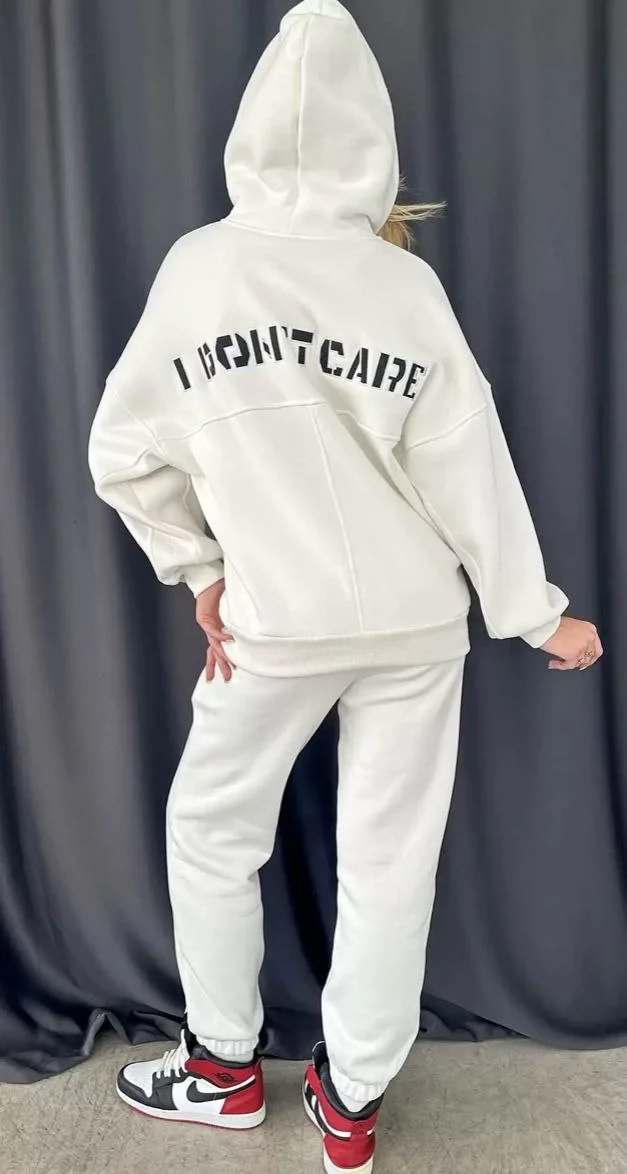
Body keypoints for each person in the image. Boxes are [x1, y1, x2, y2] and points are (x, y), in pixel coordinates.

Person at [88, 2, 602, 1171]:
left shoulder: (200, 272)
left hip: (275, 625)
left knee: (212, 830)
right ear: (372, 137)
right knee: (389, 864)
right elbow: (473, 468)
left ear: (250, 128)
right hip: (418, 623)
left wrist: (202, 569)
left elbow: (124, 452)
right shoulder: (400, 286)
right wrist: (534, 612)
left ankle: (223, 1069)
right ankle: (352, 1101)